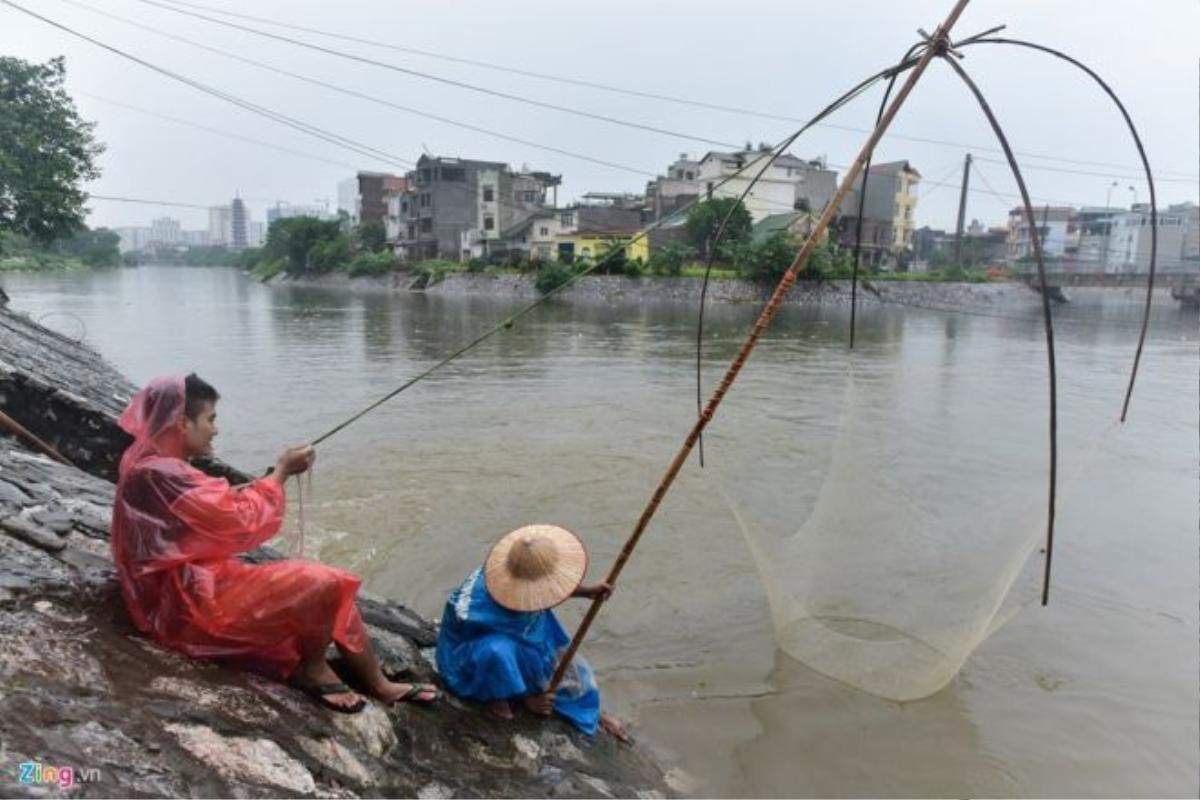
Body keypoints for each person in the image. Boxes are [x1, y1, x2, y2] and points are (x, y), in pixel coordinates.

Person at [110, 373, 439, 714]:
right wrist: (280, 472)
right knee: (321, 582)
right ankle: (311, 668)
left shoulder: (153, 466)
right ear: (182, 423)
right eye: (210, 419)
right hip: (182, 608)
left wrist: (262, 483)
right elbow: (240, 522)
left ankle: (380, 685)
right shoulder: (159, 473)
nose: (215, 429)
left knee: (331, 592)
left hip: (191, 586)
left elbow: (200, 513)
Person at [436, 524, 628, 740]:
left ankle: (589, 711)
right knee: (500, 653)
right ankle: (499, 699)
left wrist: (588, 592)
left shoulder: (510, 575)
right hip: (467, 658)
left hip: (511, 632)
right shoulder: (487, 612)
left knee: (563, 662)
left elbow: (547, 585)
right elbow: (517, 653)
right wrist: (528, 698)